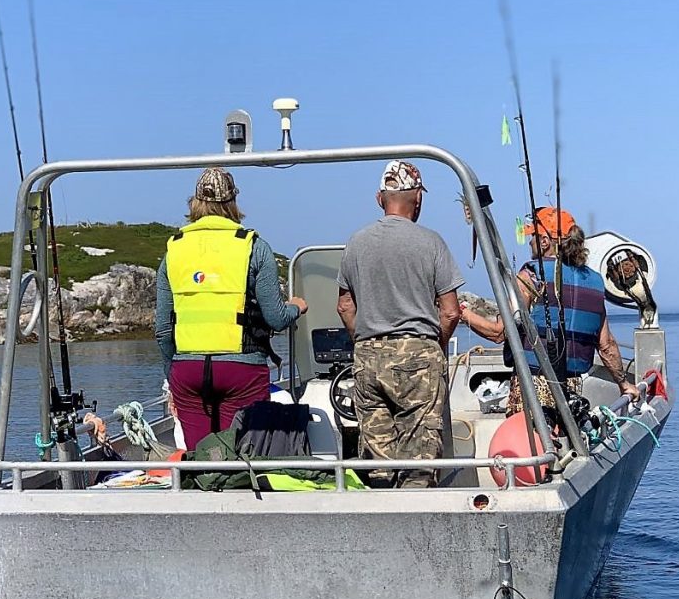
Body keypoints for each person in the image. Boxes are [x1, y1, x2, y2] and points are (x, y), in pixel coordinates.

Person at [155, 167, 308, 449]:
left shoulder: (174, 250)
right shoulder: (253, 247)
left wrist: (171, 375)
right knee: (243, 455)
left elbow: (163, 329)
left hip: (188, 372)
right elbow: (275, 317)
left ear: (195, 203)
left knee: (203, 458)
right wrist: (296, 308)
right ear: (232, 202)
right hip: (242, 370)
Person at [336, 160, 463, 488]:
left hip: (367, 355)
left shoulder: (356, 243)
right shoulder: (431, 243)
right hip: (418, 354)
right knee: (418, 464)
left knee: (379, 464)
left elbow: (345, 306)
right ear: (418, 199)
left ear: (380, 198)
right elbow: (450, 312)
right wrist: (434, 346)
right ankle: (418, 533)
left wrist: (364, 342)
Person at [460, 206, 640, 415]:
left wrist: (462, 313)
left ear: (545, 241)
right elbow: (606, 345)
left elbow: (499, 332)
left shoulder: (531, 275)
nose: (530, 242)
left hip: (532, 385)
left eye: (533, 236)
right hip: (571, 386)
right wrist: (623, 384)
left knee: (530, 443)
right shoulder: (595, 281)